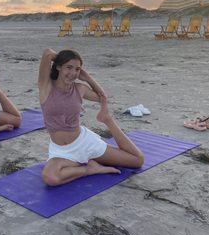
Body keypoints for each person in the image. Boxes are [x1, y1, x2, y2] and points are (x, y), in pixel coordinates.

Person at [38, 48, 144, 186]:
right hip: (61, 151)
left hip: (85, 144)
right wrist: (61, 58)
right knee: (50, 178)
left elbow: (102, 96)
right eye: (68, 68)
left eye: (77, 69)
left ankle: (109, 122)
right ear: (58, 67)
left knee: (137, 160)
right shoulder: (45, 86)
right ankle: (89, 169)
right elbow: (47, 53)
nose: (73, 73)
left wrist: (87, 77)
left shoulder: (79, 89)